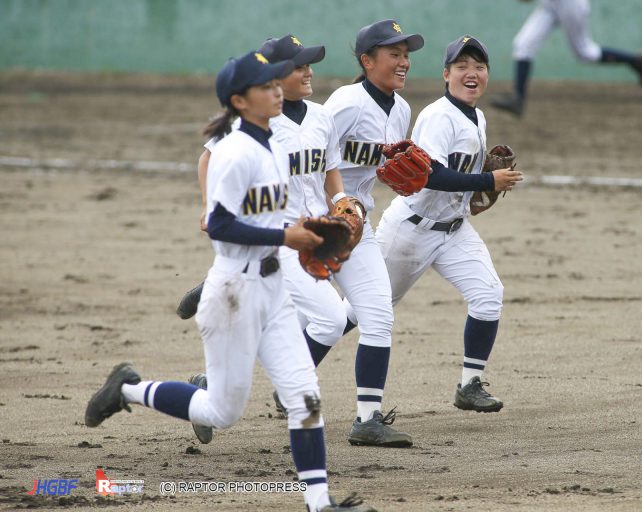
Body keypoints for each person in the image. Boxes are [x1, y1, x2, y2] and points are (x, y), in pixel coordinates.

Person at [84, 51, 375, 512]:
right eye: (265, 86)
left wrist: (312, 231)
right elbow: (218, 226)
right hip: (234, 293)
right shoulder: (234, 152)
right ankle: (126, 389)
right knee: (222, 411)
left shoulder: (274, 144)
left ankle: (320, 503)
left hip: (275, 290)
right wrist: (287, 234)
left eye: (276, 83)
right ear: (240, 100)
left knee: (306, 398)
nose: (277, 89)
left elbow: (274, 213)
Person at [185, 34, 356, 446]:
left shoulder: (317, 117)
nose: (308, 71)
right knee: (332, 319)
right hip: (278, 241)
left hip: (304, 236)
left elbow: (329, 168)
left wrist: (341, 202)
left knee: (294, 324)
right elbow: (209, 156)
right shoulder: (254, 127)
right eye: (299, 66)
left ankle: (217, 382)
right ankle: (281, 390)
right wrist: (210, 207)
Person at [375, 36, 523, 412]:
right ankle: (294, 371)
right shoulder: (438, 116)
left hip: (454, 230)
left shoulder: (477, 115)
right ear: (446, 75)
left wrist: (476, 187)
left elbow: (460, 179)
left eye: (479, 67)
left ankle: (470, 384)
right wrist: (487, 182)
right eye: (462, 67)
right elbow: (430, 176)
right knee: (362, 310)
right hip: (410, 231)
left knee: (488, 295)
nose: (471, 74)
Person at [320, 19, 425, 448]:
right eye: (393, 54)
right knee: (308, 320)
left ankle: (368, 419)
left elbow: (374, 173)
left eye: (406, 54)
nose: (403, 62)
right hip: (317, 224)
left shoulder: (401, 109)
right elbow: (308, 156)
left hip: (359, 226)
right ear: (367, 61)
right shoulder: (345, 103)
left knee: (377, 314)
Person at [492, 0, 642, 116]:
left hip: (571, 3)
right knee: (523, 44)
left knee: (586, 53)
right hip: (551, 4)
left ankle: (636, 61)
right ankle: (518, 100)